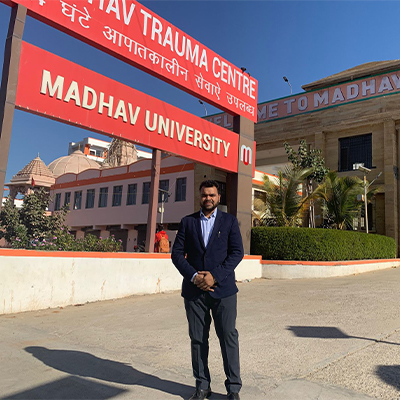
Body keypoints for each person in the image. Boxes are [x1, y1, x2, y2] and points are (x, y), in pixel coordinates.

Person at [172, 180, 244, 400]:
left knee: (228, 337)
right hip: (194, 292)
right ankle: (202, 386)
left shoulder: (229, 221)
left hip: (224, 291)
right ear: (200, 196)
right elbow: (176, 254)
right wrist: (195, 276)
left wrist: (215, 276)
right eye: (205, 195)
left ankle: (233, 388)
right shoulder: (188, 222)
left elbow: (237, 253)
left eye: (212, 195)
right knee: (198, 339)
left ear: (218, 197)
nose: (208, 198)